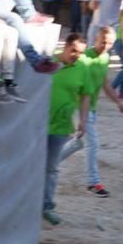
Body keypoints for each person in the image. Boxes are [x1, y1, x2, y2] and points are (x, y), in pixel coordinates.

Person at [59, 26, 123, 198]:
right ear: (96, 39)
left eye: (110, 43)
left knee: (78, 143)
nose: (106, 45)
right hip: (79, 107)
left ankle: (47, 165)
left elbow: (105, 84)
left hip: (91, 108)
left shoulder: (105, 58)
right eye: (103, 41)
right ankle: (93, 182)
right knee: (93, 143)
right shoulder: (83, 57)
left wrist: (118, 102)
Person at [41, 33, 90, 225]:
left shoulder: (81, 68)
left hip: (60, 126)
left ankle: (47, 206)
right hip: (37, 124)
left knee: (51, 168)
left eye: (80, 53)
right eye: (74, 50)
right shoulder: (48, 62)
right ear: (66, 46)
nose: (76, 55)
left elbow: (85, 94)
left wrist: (83, 120)